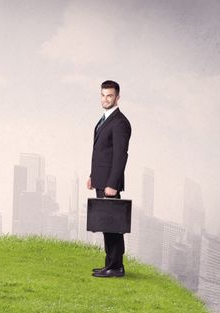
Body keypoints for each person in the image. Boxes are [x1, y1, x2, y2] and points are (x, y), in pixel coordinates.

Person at [87, 80, 132, 278]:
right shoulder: (104, 119)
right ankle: (110, 263)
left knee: (113, 225)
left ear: (117, 97)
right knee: (107, 223)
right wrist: (92, 176)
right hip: (101, 180)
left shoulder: (120, 122)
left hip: (109, 184)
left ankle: (116, 266)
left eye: (110, 95)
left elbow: (121, 155)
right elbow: (101, 152)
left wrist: (112, 184)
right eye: (103, 95)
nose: (106, 99)